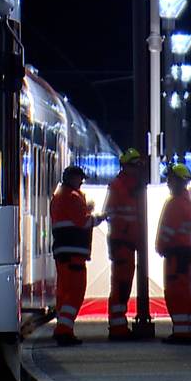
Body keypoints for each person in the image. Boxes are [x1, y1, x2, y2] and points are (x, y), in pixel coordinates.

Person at [50, 165, 106, 346]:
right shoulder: (73, 197)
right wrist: (101, 216)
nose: (81, 182)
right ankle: (64, 331)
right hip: (74, 254)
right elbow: (85, 221)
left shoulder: (58, 197)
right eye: (79, 178)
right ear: (72, 178)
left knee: (64, 292)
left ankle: (61, 327)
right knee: (75, 292)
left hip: (62, 253)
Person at [155, 163, 191, 344]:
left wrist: (160, 246)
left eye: (170, 179)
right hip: (186, 254)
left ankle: (181, 332)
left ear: (178, 181)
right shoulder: (190, 204)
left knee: (175, 293)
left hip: (175, 255)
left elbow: (167, 230)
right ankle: (188, 329)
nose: (168, 182)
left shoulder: (174, 204)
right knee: (185, 292)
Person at [102, 148, 145, 340]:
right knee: (121, 284)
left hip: (129, 242)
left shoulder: (132, 186)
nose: (136, 170)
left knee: (124, 284)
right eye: (133, 166)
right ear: (125, 166)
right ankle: (117, 326)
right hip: (122, 242)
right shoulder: (119, 186)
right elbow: (110, 212)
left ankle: (119, 323)